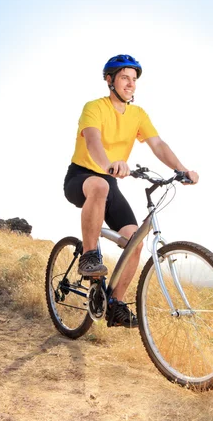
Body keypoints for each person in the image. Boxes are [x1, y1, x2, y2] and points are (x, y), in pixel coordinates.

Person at [64, 54, 199, 328]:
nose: (130, 84)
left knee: (134, 241)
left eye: (134, 79)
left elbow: (158, 144)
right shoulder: (94, 107)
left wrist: (182, 169)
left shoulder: (138, 114)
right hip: (82, 177)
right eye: (125, 78)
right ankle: (89, 257)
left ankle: (113, 303)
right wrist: (107, 164)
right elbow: (92, 141)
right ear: (110, 80)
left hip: (110, 181)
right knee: (100, 184)